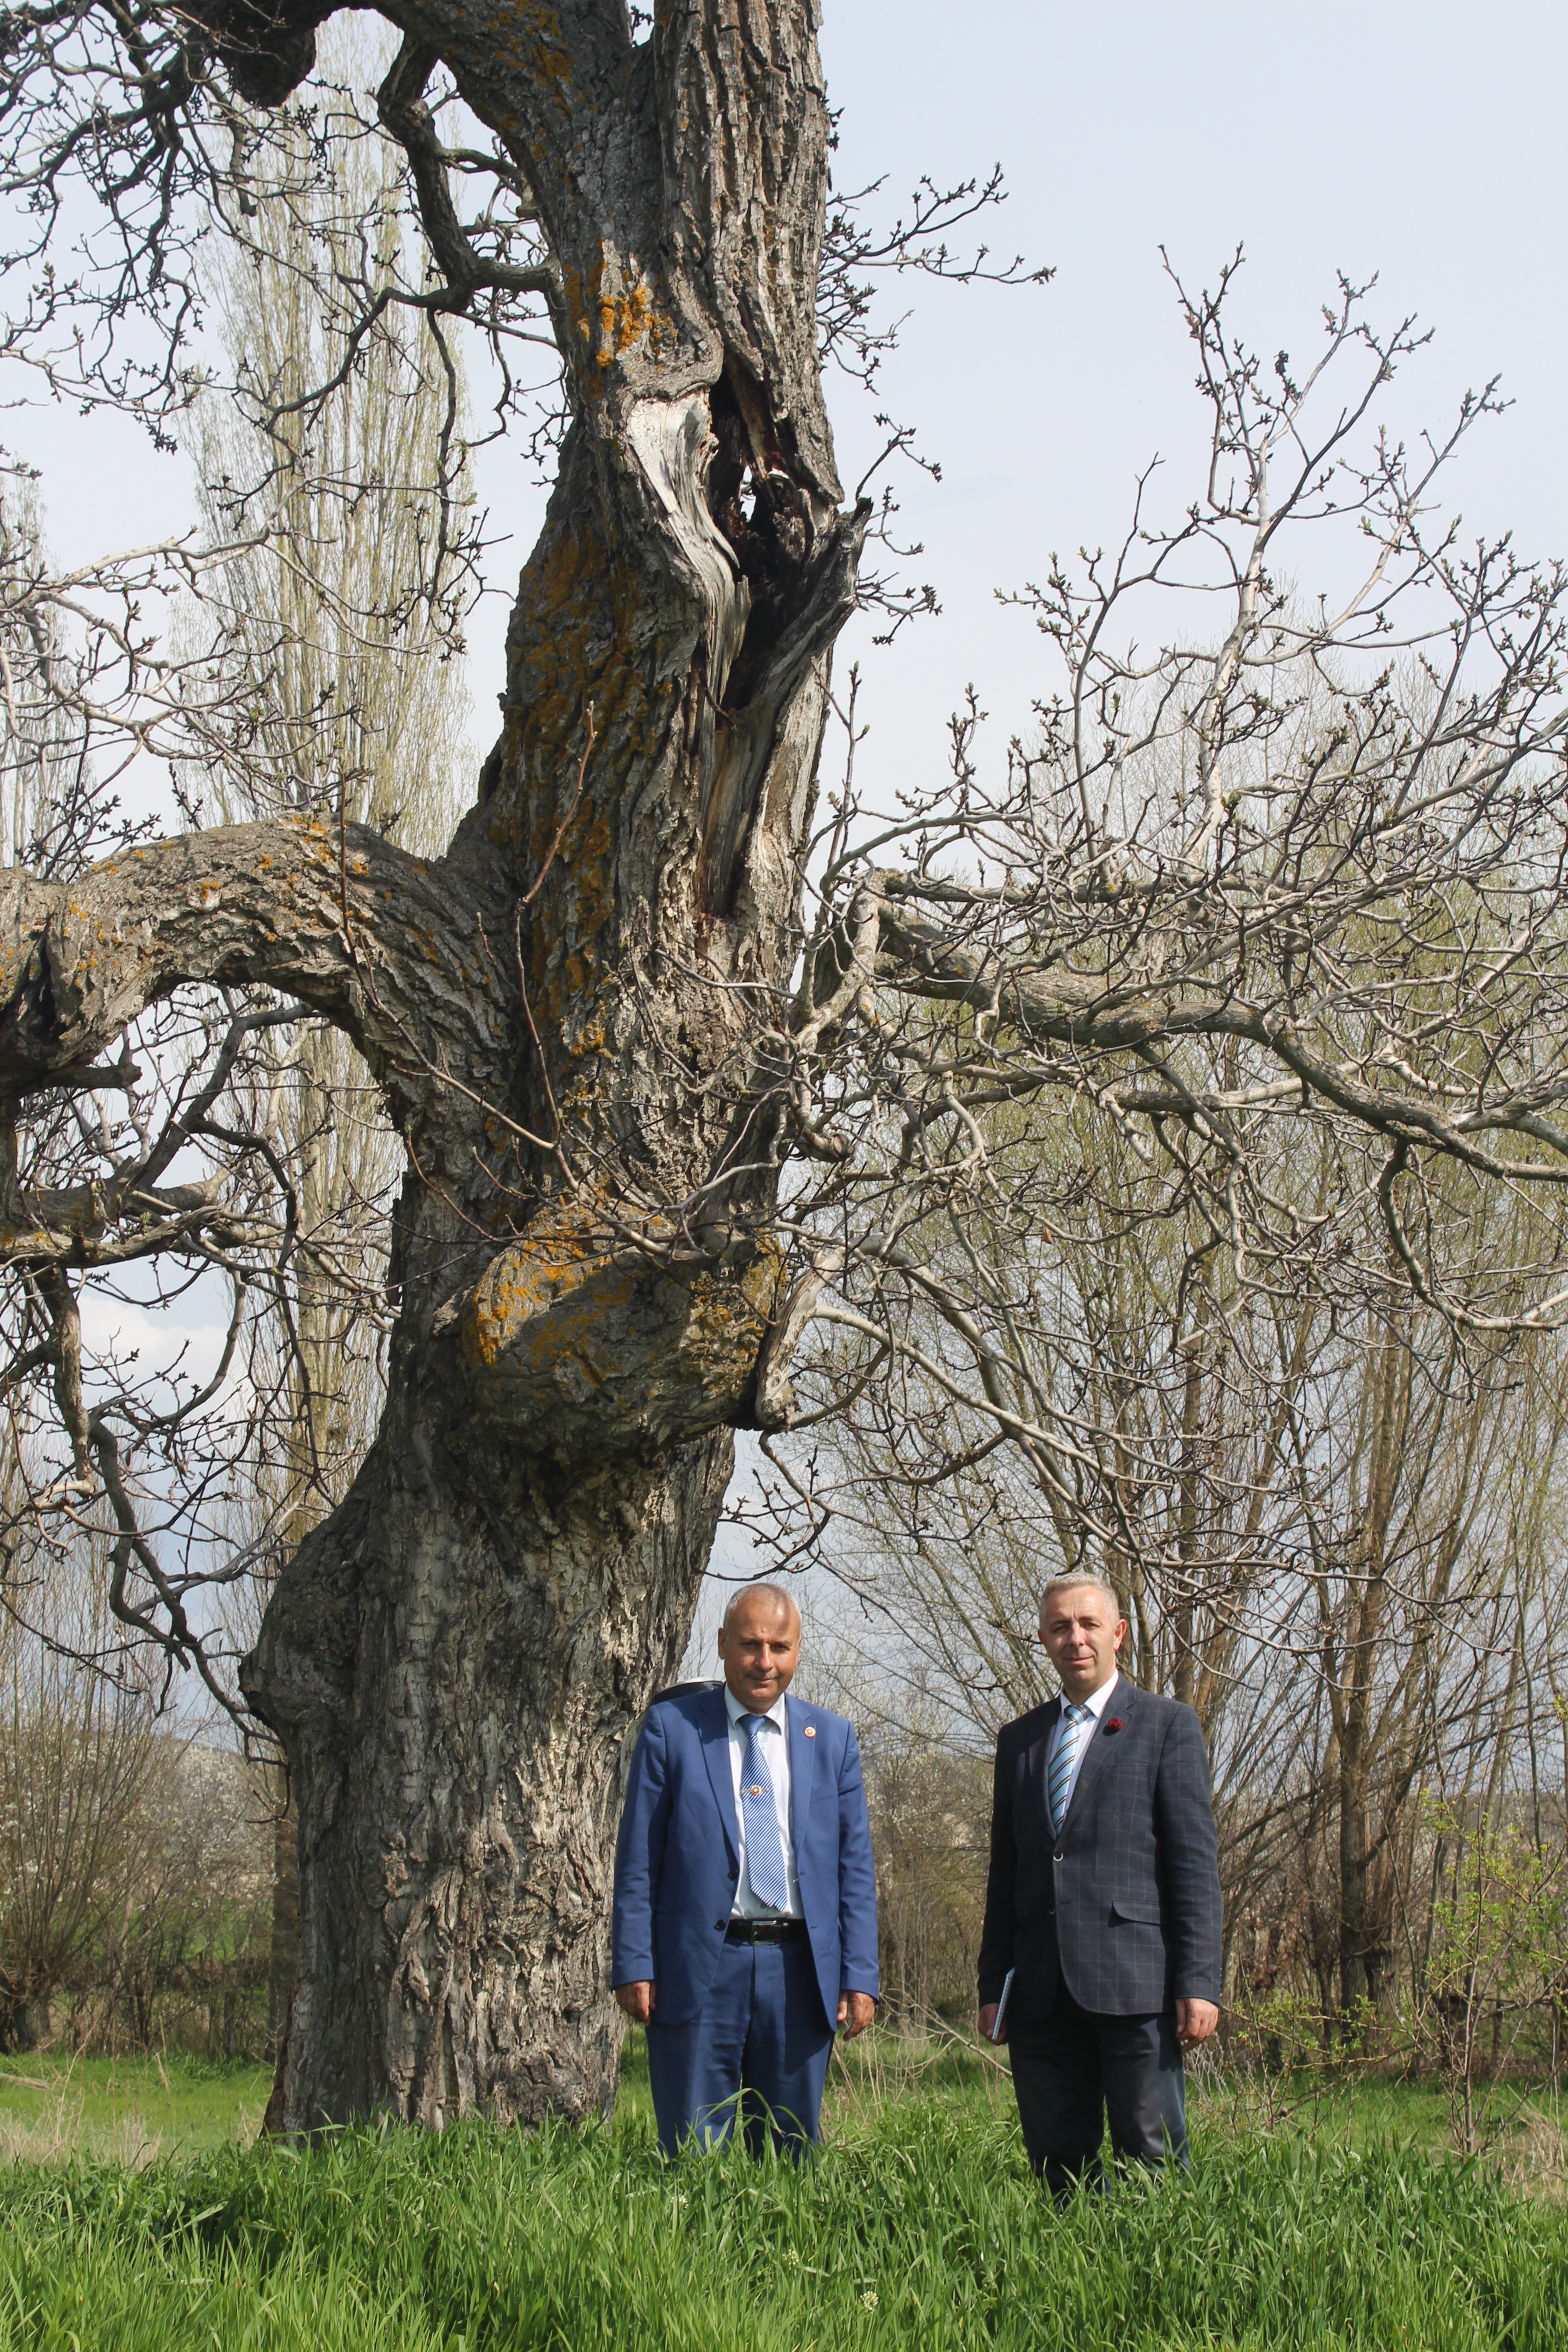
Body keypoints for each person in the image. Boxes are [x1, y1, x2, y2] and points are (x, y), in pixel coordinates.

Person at [611, 1581, 879, 2156]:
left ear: (798, 1650)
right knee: (692, 2152)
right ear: (722, 1645)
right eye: (750, 1645)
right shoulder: (672, 1731)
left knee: (789, 2152)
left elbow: (854, 1866)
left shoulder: (832, 1739)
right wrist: (635, 1962)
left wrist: (859, 1975)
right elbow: (638, 1860)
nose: (764, 1662)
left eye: (779, 1647)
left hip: (799, 1972)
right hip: (699, 1969)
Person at [976, 1575, 1222, 2197]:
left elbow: (1193, 1865)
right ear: (1043, 1638)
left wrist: (1199, 1982)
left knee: (1152, 2162)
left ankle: (1155, 2283)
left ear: (1117, 1635)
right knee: (1059, 2167)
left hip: (1135, 1986)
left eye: (1088, 1625)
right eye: (1060, 1627)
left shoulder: (1167, 1727)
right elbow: (1005, 1873)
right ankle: (1074, 2286)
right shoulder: (1020, 1742)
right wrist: (992, 1985)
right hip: (1039, 1991)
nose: (1075, 1639)